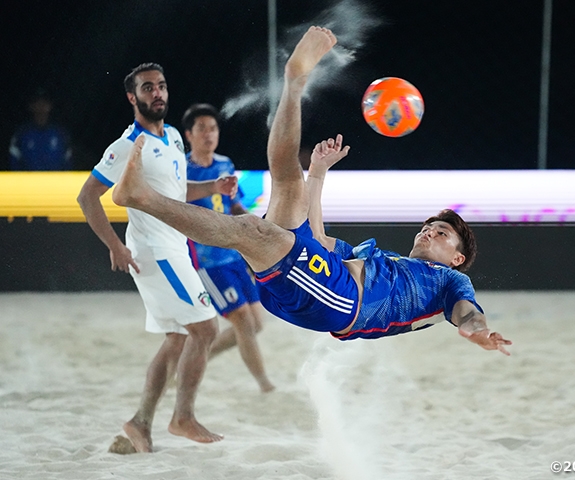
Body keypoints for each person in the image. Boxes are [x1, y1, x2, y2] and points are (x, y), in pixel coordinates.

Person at [111, 28, 511, 356]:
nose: (429, 231)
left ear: (458, 257)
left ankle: (142, 197)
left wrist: (478, 330)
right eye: (429, 226)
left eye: (442, 233)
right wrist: (317, 175)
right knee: (288, 179)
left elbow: (466, 313)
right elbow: (317, 241)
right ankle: (294, 83)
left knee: (253, 230)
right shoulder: (384, 259)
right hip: (326, 281)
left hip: (342, 303)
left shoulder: (449, 282)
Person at [77, 63, 238, 453]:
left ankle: (140, 423)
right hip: (155, 251)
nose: (157, 93)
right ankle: (182, 417)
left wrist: (213, 185)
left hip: (174, 246)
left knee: (178, 338)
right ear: (133, 98)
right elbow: (87, 197)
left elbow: (176, 191)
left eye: (161, 86)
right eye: (148, 88)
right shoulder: (127, 145)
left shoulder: (171, 138)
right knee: (206, 330)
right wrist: (115, 246)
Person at [182, 103, 275, 393]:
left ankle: (193, 359)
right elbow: (177, 197)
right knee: (244, 323)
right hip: (206, 259)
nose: (209, 134)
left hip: (233, 253)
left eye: (213, 128)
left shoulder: (224, 164)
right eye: (202, 129)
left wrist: (252, 222)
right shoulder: (182, 169)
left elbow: (233, 204)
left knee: (255, 324)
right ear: (189, 135)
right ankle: (266, 387)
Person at [9, 88, 72, 170]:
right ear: (31, 106)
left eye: (44, 103)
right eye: (37, 103)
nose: (41, 106)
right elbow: (14, 164)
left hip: (55, 182)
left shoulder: (61, 134)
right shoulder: (21, 134)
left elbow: (68, 164)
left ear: (50, 106)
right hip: (28, 182)